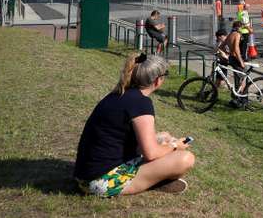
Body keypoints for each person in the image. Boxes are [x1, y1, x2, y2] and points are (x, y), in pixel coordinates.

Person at [73, 52, 195, 197]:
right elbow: (150, 154)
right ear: (157, 80)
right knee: (185, 159)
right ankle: (152, 182)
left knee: (164, 136)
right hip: (99, 182)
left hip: (84, 175)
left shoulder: (119, 94)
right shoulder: (141, 103)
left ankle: (149, 180)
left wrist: (164, 141)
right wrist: (175, 146)